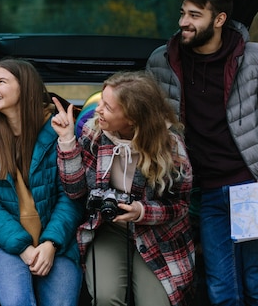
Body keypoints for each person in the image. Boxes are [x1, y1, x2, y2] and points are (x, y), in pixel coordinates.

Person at [146, 0, 258, 306]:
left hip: (253, 189)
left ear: (219, 20)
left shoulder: (255, 59)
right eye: (182, 13)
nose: (183, 22)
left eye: (194, 15)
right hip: (206, 194)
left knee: (257, 289)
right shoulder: (162, 62)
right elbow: (150, 122)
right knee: (221, 292)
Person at [52, 71, 195, 306]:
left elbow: (180, 205)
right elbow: (75, 191)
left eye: (107, 107)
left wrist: (142, 211)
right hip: (109, 226)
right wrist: (68, 142)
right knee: (106, 297)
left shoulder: (170, 145)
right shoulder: (94, 131)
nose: (98, 110)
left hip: (157, 232)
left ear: (132, 118)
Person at [0, 58, 85, 306]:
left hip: (57, 241)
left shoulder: (57, 129)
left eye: (2, 82)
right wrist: (22, 246)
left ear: (26, 87)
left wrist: (51, 243)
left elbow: (71, 195)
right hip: (6, 243)